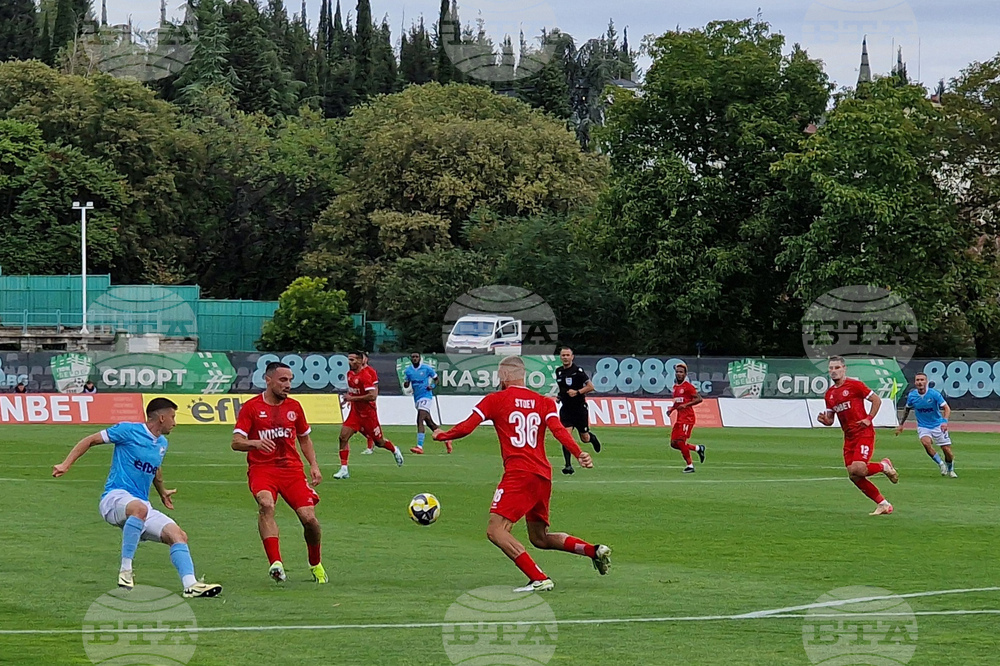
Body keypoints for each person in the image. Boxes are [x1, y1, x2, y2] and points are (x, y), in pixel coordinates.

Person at [433, 356, 612, 593]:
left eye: (499, 374)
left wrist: (443, 435)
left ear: (505, 375)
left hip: (519, 474)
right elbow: (558, 429)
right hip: (542, 476)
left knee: (495, 530)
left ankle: (539, 577)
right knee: (539, 538)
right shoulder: (543, 402)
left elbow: (467, 427)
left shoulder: (495, 400)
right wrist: (579, 453)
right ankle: (593, 550)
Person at [52, 397, 222, 598]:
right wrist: (66, 464)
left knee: (178, 535)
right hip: (114, 498)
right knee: (139, 508)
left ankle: (190, 585)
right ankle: (126, 569)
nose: (175, 422)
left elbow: (155, 469)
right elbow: (90, 440)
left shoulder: (162, 443)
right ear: (161, 418)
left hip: (141, 505)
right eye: (172, 417)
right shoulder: (128, 430)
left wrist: (163, 491)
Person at [232, 362, 327, 584]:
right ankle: (276, 563)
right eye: (283, 380)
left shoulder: (295, 407)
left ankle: (315, 563)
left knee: (309, 519)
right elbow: (236, 442)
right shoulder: (251, 408)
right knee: (266, 505)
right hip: (262, 469)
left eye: (290, 380)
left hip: (292, 471)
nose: (288, 385)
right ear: (268, 380)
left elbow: (304, 438)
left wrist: (313, 465)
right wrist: (255, 443)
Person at [817, 356, 899, 515]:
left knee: (859, 469)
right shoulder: (829, 394)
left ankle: (884, 466)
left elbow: (876, 400)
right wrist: (825, 421)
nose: (833, 371)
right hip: (849, 437)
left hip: (863, 433)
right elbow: (830, 419)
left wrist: (869, 418)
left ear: (844, 368)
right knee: (854, 475)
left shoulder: (855, 385)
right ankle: (883, 504)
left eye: (837, 368)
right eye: (831, 369)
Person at [335, 351, 403, 479]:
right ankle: (344, 469)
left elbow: (372, 396)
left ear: (361, 361)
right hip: (355, 413)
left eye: (353, 360)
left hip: (368, 414)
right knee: (343, 437)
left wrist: (352, 399)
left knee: (379, 442)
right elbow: (353, 393)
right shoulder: (349, 374)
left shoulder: (366, 375)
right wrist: (346, 400)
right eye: (349, 360)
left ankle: (394, 450)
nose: (350, 363)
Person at [895, 372, 957, 477]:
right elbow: (907, 409)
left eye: (922, 380)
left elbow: (947, 408)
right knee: (926, 443)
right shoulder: (912, 395)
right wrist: (901, 424)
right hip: (923, 426)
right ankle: (941, 464)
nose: (920, 382)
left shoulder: (934, 394)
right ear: (915, 382)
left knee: (947, 451)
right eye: (917, 380)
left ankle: (951, 469)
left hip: (938, 425)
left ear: (926, 382)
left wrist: (944, 422)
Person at [554, 347, 601, 475]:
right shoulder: (558, 371)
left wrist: (577, 392)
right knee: (566, 437)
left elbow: (591, 387)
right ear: (560, 357)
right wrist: (560, 396)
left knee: (584, 438)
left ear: (572, 357)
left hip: (579, 409)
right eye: (563, 355)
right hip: (566, 410)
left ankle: (592, 438)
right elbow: (563, 388)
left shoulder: (578, 371)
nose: (565, 357)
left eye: (567, 355)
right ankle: (568, 465)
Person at [403, 352, 452, 454]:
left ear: (420, 358)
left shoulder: (426, 368)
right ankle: (447, 438)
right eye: (413, 357)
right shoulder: (408, 371)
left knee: (420, 418)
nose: (415, 358)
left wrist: (432, 386)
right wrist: (407, 383)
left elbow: (436, 379)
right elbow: (406, 384)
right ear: (410, 359)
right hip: (417, 398)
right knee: (430, 423)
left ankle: (419, 446)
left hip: (426, 396)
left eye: (417, 357)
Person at [666, 363, 706, 473]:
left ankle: (690, 466)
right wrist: (672, 410)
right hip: (680, 418)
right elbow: (678, 402)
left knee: (680, 441)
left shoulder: (688, 387)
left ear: (685, 374)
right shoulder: (675, 387)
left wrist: (686, 405)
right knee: (674, 443)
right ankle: (698, 448)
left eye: (681, 372)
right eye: (677, 372)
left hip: (688, 418)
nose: (679, 374)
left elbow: (699, 399)